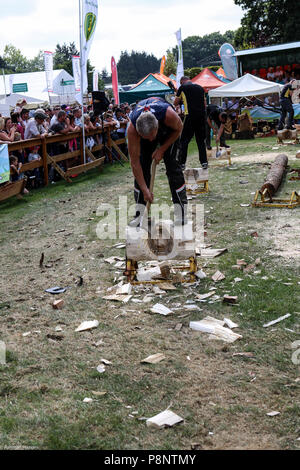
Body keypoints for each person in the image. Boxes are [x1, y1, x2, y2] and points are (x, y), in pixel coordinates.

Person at [127, 96, 187, 226]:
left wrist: (162, 149)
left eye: (151, 137)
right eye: (145, 137)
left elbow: (179, 128)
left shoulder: (169, 115)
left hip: (170, 133)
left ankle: (181, 212)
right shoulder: (132, 130)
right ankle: (140, 216)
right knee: (142, 170)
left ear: (157, 127)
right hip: (147, 131)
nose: (150, 140)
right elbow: (134, 163)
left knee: (173, 169)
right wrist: (145, 190)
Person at [174, 76, 207, 170]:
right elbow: (204, 104)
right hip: (201, 116)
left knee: (184, 141)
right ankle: (204, 162)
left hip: (190, 116)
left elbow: (175, 103)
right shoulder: (200, 88)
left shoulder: (182, 87)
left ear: (182, 82)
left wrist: (177, 95)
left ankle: (182, 163)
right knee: (201, 141)